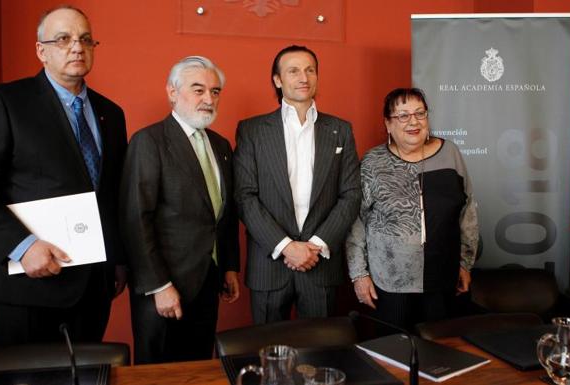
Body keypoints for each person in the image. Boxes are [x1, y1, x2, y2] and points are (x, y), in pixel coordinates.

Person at [0, 5, 127, 346]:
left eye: (86, 39)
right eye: (63, 39)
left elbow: (111, 193)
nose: (76, 47)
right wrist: (22, 246)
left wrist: (116, 258)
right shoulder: (6, 102)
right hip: (25, 288)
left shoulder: (111, 114)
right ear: (41, 50)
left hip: (92, 287)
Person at [120, 56, 240, 364]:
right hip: (163, 286)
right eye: (198, 90)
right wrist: (160, 285)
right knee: (158, 375)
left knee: (198, 369)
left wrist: (228, 266)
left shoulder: (221, 146)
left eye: (215, 92)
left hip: (207, 283)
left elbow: (222, 216)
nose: (208, 99)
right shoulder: (149, 141)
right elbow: (136, 219)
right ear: (172, 92)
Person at [234, 45, 361, 324]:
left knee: (319, 357)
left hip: (321, 264)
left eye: (310, 70)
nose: (303, 77)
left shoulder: (341, 130)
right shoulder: (252, 130)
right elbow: (245, 197)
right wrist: (286, 246)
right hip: (270, 263)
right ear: (278, 80)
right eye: (293, 71)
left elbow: (351, 195)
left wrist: (314, 245)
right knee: (269, 354)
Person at [346, 87, 479, 330]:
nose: (413, 122)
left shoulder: (450, 153)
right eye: (403, 116)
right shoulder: (373, 162)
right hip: (390, 283)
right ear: (388, 124)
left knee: (440, 355)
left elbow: (467, 212)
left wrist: (465, 263)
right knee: (394, 353)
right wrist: (359, 275)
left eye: (420, 113)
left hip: (443, 277)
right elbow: (356, 222)